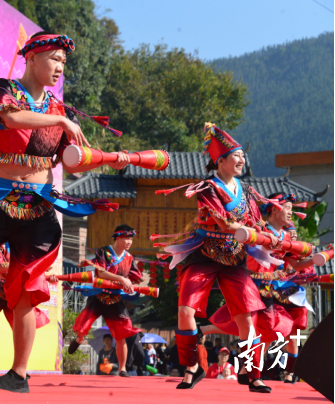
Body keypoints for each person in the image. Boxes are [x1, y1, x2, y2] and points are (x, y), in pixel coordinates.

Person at [0, 31, 129, 393]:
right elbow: (12, 120)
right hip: (0, 202)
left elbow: (70, 163)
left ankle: (18, 374)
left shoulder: (58, 108)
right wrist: (60, 123)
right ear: (31, 58)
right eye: (55, 59)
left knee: (26, 293)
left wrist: (110, 160)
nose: (60, 67)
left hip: (41, 210)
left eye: (64, 62)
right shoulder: (7, 89)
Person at [156, 123, 278, 393]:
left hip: (234, 259)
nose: (242, 160)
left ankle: (252, 372)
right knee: (185, 311)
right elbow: (224, 224)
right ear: (220, 161)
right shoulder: (206, 188)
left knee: (247, 318)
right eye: (236, 156)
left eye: (242, 156)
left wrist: (269, 237)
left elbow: (256, 223)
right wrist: (249, 232)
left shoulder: (246, 191)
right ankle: (192, 367)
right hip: (204, 253)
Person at [201, 193, 316, 385]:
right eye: (287, 207)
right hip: (249, 284)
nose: (291, 212)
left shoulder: (285, 236)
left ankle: (247, 370)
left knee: (269, 329)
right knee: (255, 327)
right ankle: (253, 374)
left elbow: (295, 265)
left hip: (268, 288)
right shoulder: (258, 228)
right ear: (274, 208)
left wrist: (316, 257)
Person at [68, 225, 143, 378]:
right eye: (126, 238)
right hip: (98, 296)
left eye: (131, 239)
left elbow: (136, 277)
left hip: (115, 300)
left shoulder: (129, 258)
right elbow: (101, 272)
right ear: (118, 238)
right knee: (83, 326)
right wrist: (121, 278)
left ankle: (122, 369)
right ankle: (79, 339)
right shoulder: (104, 251)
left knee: (121, 335)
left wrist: (131, 286)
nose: (129, 242)